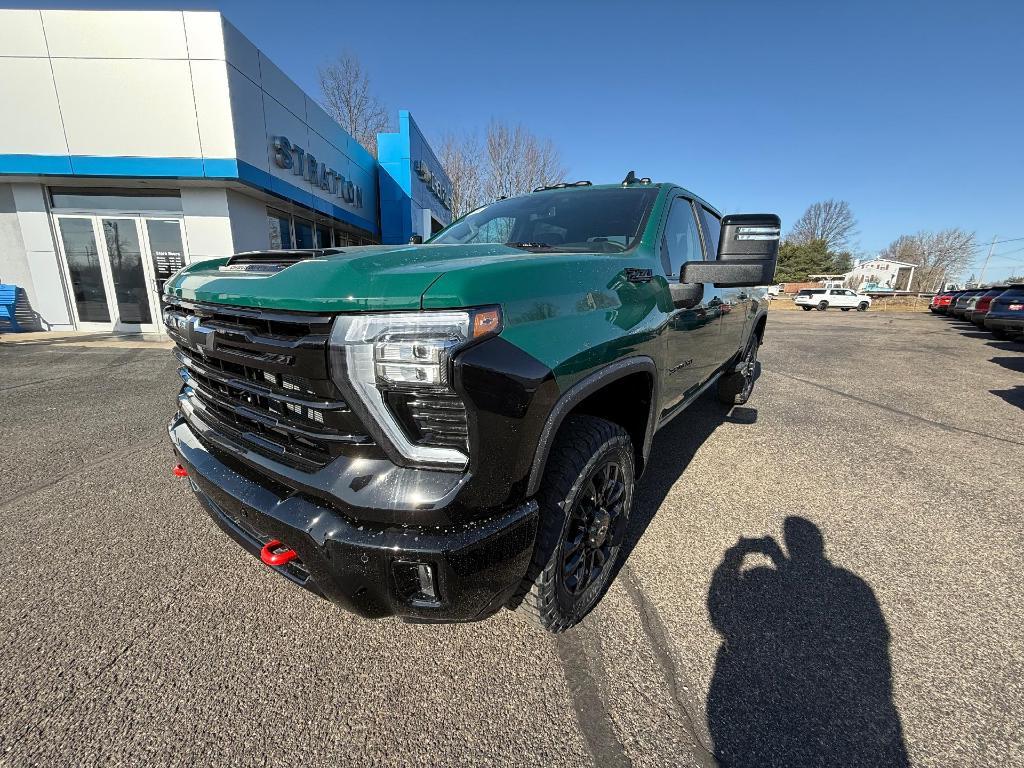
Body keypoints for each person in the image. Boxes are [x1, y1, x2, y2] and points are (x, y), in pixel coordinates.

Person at [706, 516, 909, 767]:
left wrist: (735, 554)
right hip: (839, 708)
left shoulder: (843, 584)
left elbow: (719, 608)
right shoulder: (851, 585)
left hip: (771, 692)